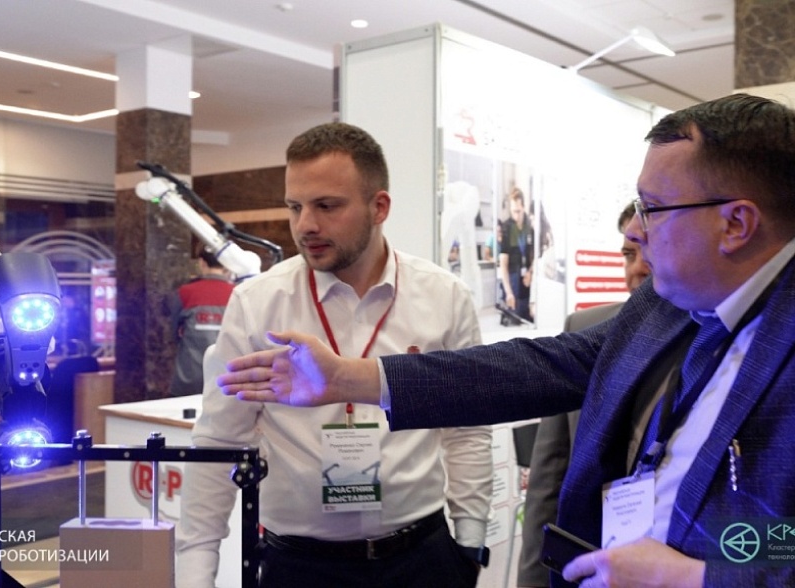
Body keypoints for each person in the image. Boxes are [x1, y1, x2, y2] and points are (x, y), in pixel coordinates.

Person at [217, 94, 795, 587]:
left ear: (736, 224)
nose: (635, 230)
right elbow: (546, 366)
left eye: (654, 208)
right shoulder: (669, 308)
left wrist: (701, 578)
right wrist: (350, 378)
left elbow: (781, 542)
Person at [175, 123, 493, 588]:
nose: (305, 224)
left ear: (379, 207)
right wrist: (194, 575)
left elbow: (466, 428)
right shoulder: (257, 304)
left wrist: (470, 543)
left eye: (326, 206)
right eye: (295, 206)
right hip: (300, 567)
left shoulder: (443, 297)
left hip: (422, 559)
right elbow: (219, 443)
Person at [517, 201, 650, 587]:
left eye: (650, 248)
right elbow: (548, 480)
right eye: (629, 254)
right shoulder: (584, 330)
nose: (638, 268)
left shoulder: (735, 347)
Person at [168, 247, 234, 397]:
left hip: (189, 378)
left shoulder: (185, 292)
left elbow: (173, 333)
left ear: (202, 262)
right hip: (226, 381)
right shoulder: (237, 292)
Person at [499, 187, 534, 321]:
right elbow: (503, 265)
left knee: (529, 321)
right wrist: (508, 292)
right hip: (513, 284)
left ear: (523, 207)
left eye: (518, 211)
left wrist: (531, 271)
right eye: (513, 211)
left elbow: (536, 256)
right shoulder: (507, 228)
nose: (516, 216)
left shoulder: (530, 226)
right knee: (515, 321)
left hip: (528, 283)